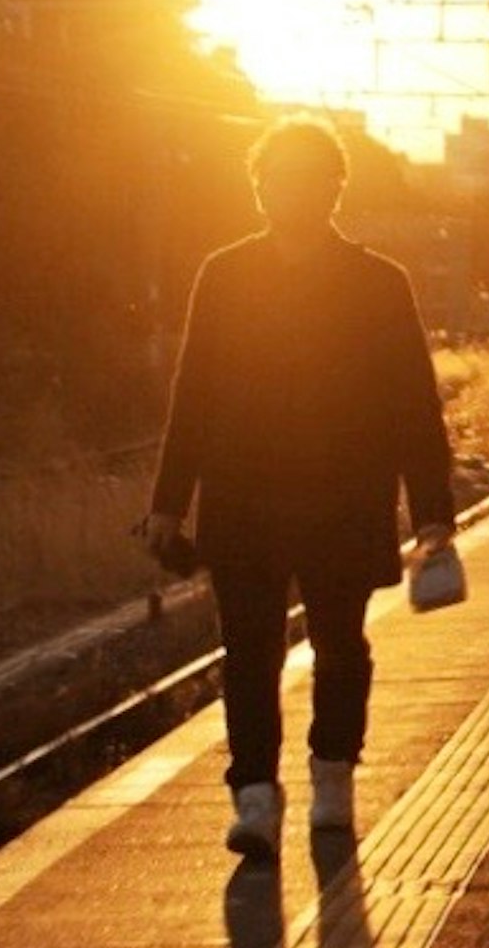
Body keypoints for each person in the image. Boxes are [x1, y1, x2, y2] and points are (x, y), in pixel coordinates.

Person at [147, 118, 456, 854]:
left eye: (302, 179)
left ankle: (332, 776)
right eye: (273, 179)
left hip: (343, 500)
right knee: (248, 651)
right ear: (258, 187)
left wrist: (434, 515)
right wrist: (166, 502)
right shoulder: (223, 276)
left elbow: (414, 401)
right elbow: (193, 392)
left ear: (332, 189)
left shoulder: (380, 283)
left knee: (341, 646)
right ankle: (254, 794)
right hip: (243, 499)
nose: (284, 192)